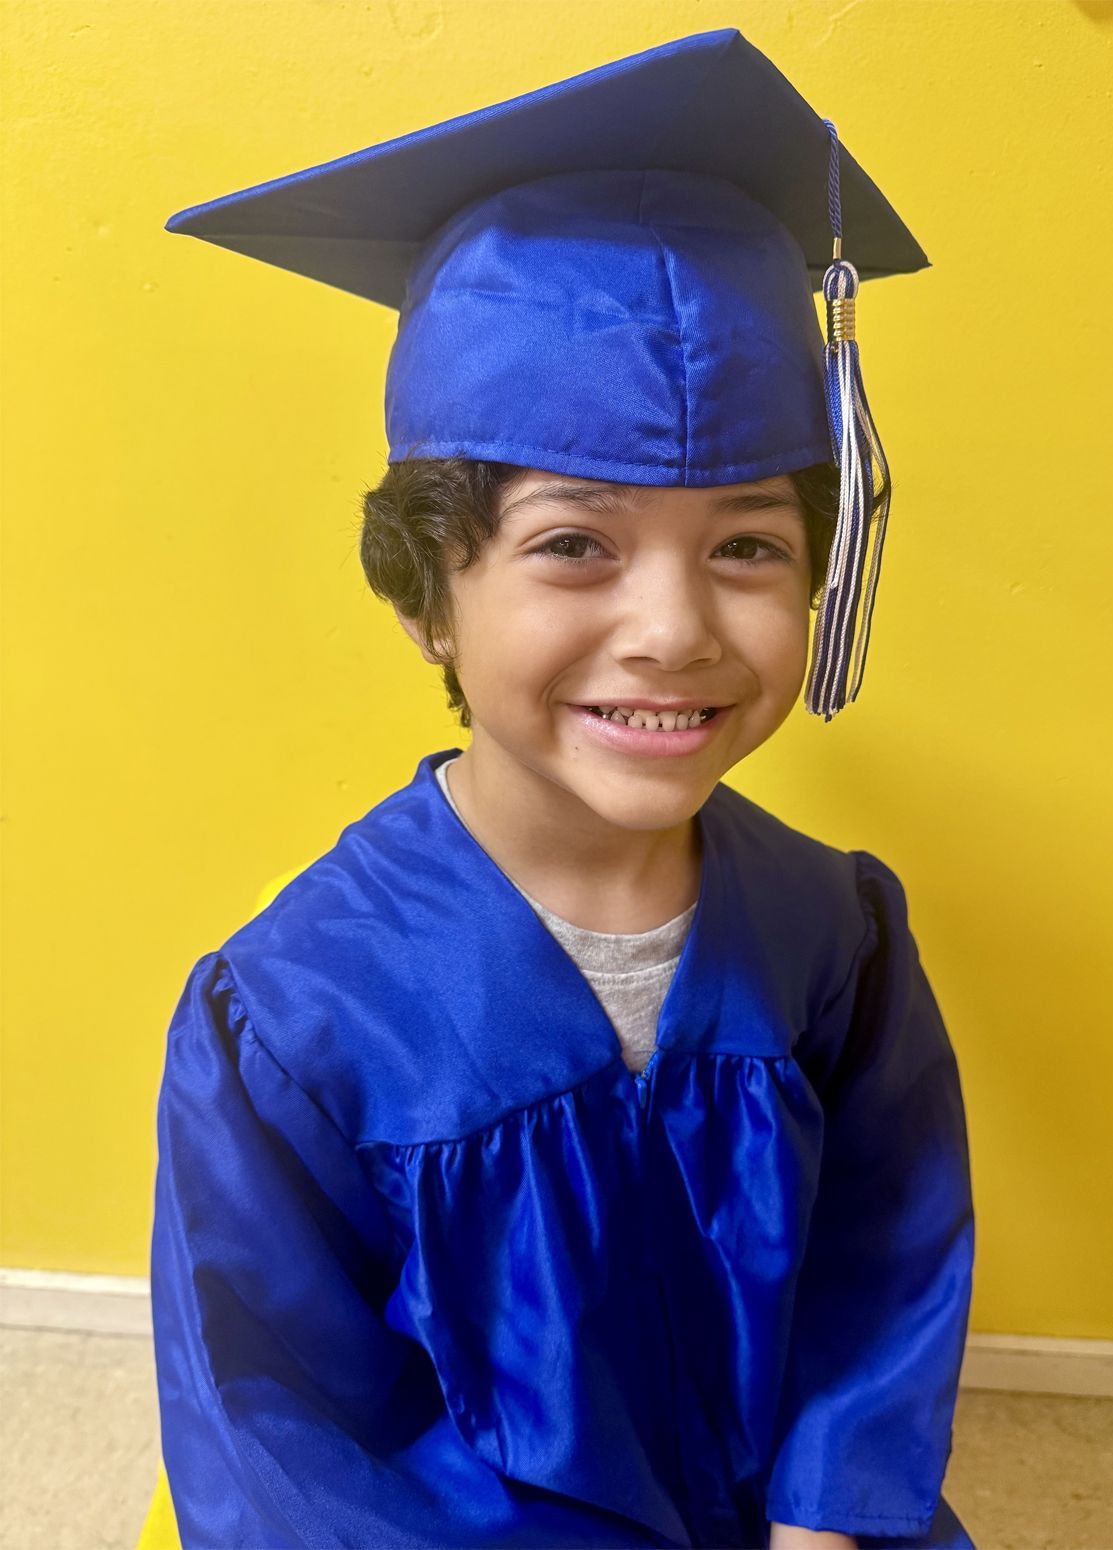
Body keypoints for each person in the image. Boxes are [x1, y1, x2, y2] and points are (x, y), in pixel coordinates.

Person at [151, 27, 976, 1550]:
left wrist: (829, 1505)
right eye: (571, 542)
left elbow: (886, 1244)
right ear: (423, 594)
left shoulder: (833, 933)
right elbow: (280, 1434)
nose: (670, 629)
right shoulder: (291, 1015)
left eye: (747, 545)